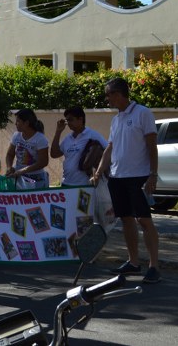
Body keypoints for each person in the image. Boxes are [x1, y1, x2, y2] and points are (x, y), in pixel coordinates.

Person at [91, 77, 161, 284]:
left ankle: (154, 266)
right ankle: (133, 262)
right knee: (126, 219)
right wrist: (99, 171)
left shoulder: (143, 113)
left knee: (144, 220)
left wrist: (153, 174)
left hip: (138, 176)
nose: (107, 99)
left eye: (109, 94)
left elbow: (152, 146)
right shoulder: (116, 119)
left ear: (119, 94)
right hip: (117, 177)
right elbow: (110, 148)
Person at [50, 106, 107, 186]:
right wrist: (58, 131)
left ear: (80, 119)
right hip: (66, 183)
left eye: (70, 119)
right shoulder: (67, 138)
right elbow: (54, 154)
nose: (68, 123)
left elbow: (108, 151)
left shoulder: (93, 135)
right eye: (67, 120)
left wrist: (98, 173)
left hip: (85, 185)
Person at [6, 109, 49, 189]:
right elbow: (10, 154)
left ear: (26, 123)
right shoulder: (16, 135)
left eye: (18, 121)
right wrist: (9, 167)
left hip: (36, 178)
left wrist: (22, 171)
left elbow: (43, 162)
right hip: (19, 176)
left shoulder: (40, 139)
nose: (15, 124)